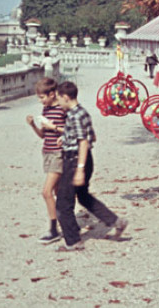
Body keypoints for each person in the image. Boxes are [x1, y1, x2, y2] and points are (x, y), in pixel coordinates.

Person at [46, 81, 128, 251]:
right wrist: (67, 138)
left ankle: (73, 241)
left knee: (63, 202)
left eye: (59, 99)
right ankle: (115, 221)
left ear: (66, 97)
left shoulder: (74, 116)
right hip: (85, 158)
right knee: (83, 196)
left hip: (75, 160)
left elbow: (83, 142)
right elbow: (92, 137)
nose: (58, 103)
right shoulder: (82, 112)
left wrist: (79, 169)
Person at [26, 78, 67, 244]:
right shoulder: (46, 109)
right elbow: (43, 135)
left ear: (52, 94)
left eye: (42, 97)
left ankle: (53, 229)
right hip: (47, 152)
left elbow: (71, 130)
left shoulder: (62, 109)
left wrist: (56, 130)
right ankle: (66, 222)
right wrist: (33, 126)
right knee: (57, 192)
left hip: (58, 154)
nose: (40, 100)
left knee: (46, 192)